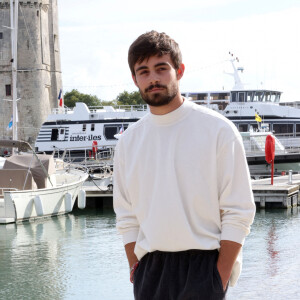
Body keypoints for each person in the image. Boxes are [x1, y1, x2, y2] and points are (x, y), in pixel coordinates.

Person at [113, 30, 256, 300]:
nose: (153, 78)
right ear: (135, 79)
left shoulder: (218, 131)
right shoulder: (128, 142)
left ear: (179, 70)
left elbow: (239, 210)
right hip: (150, 271)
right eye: (143, 71)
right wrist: (136, 268)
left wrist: (219, 275)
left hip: (204, 268)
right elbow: (126, 215)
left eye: (161, 68)